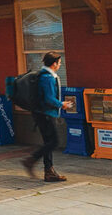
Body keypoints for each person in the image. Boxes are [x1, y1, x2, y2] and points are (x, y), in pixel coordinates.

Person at [21, 51, 73, 182]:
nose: (60, 65)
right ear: (54, 64)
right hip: (46, 114)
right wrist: (62, 104)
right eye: (59, 63)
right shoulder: (48, 78)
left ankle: (49, 172)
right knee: (54, 142)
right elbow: (49, 98)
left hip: (41, 113)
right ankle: (31, 160)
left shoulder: (43, 75)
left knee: (48, 142)